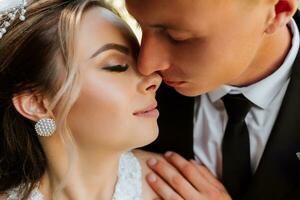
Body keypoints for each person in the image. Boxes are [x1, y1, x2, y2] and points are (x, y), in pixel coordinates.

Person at [125, 0, 300, 199]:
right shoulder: (125, 91)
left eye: (178, 38)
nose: (146, 66)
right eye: (139, 25)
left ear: (278, 10)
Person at [0, 0, 165, 199]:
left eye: (139, 60)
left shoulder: (181, 187)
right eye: (117, 65)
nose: (154, 78)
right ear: (37, 103)